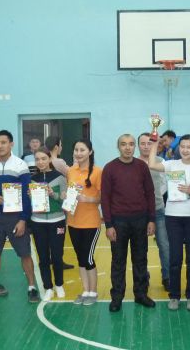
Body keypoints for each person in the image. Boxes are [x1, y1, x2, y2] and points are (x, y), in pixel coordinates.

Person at [0, 130, 39, 303]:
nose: (0, 146)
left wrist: (23, 219)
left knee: (24, 253)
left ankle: (32, 288)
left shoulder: (20, 165)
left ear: (11, 144)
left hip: (15, 218)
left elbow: (26, 194)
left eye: (3, 142)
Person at [149, 134, 190, 311]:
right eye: (182, 146)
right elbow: (151, 164)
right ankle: (174, 295)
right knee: (175, 257)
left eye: (189, 147)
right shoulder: (171, 164)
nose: (185, 150)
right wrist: (155, 143)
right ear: (178, 148)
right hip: (172, 217)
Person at [104, 134, 156, 312]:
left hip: (140, 220)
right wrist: (108, 225)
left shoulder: (142, 166)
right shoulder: (110, 168)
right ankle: (117, 297)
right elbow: (105, 198)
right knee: (118, 261)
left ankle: (141, 294)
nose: (128, 147)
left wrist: (151, 219)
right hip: (118, 222)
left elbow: (150, 193)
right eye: (124, 144)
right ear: (118, 146)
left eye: (131, 144)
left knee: (140, 259)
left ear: (135, 147)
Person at [65, 140, 102, 306]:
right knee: (80, 258)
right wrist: (66, 197)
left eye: (82, 150)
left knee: (88, 258)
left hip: (90, 223)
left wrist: (88, 199)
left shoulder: (97, 172)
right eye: (76, 150)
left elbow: (103, 197)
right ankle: (85, 290)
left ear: (90, 152)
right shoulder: (70, 171)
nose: (78, 153)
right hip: (73, 221)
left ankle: (93, 292)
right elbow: (70, 192)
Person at [29, 147, 67, 301]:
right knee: (43, 257)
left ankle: (59, 284)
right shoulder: (33, 179)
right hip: (38, 222)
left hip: (57, 221)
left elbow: (65, 201)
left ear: (50, 159)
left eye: (43, 158)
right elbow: (30, 204)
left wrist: (54, 194)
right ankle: (48, 287)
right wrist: (29, 196)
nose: (40, 162)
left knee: (57, 256)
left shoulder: (60, 177)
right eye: (37, 159)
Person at [138, 133, 170, 292]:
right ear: (138, 145)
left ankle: (167, 277)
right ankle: (143, 276)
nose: (146, 146)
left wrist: (156, 196)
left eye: (149, 143)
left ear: (154, 145)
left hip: (158, 209)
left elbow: (165, 184)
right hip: (138, 213)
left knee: (164, 245)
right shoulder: (133, 163)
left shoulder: (161, 162)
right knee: (140, 247)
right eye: (142, 143)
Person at [45, 135, 74, 270]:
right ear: (57, 147)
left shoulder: (45, 161)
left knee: (48, 232)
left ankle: (51, 258)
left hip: (47, 200)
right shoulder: (59, 161)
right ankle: (58, 260)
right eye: (61, 145)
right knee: (59, 231)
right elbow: (72, 174)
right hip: (59, 199)